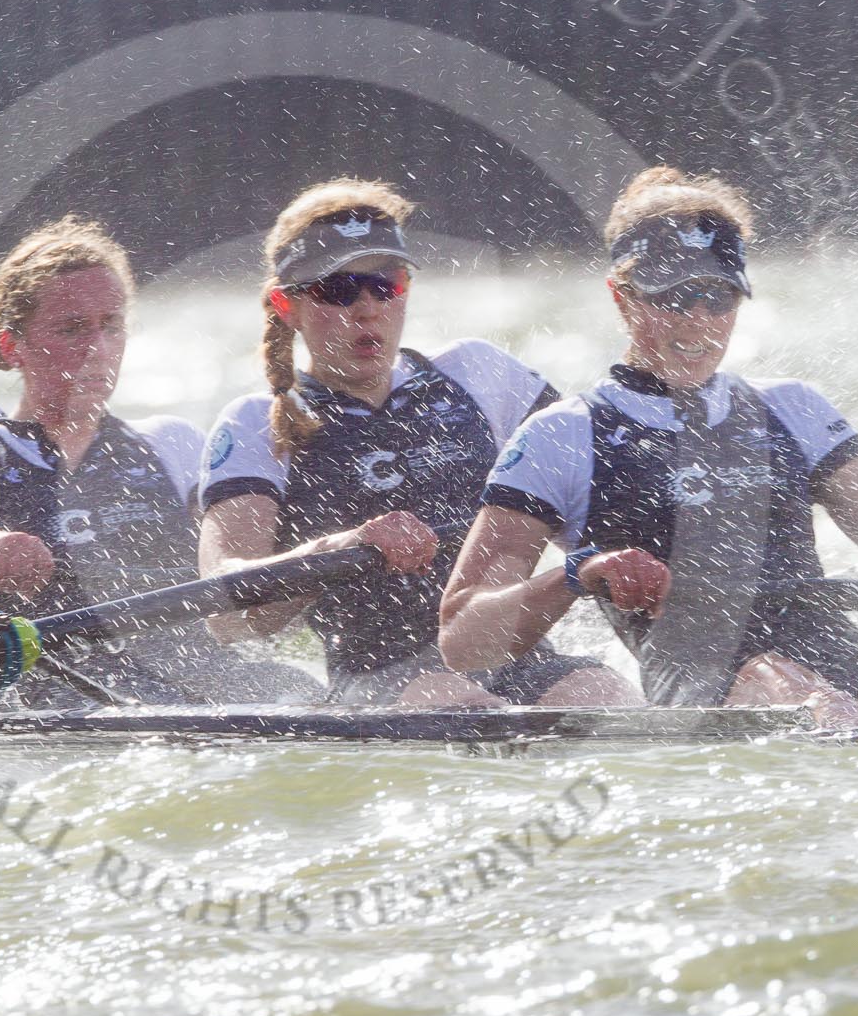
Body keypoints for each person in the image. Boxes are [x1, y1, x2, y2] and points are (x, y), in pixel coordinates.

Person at [441, 166, 858, 729]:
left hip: (846, 657)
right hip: (706, 684)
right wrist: (578, 574)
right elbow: (462, 637)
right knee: (791, 690)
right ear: (622, 298)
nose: (698, 320)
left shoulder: (794, 409)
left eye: (718, 297)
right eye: (674, 297)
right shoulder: (562, 437)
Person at [0, 217, 313, 703]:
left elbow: (243, 594)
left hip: (192, 709)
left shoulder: (176, 446)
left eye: (111, 326)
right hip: (48, 729)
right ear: (14, 346)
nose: (98, 349)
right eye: (72, 329)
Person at [198, 179, 627, 708]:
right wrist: (342, 546)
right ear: (288, 305)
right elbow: (224, 613)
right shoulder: (254, 425)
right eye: (338, 290)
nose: (367, 308)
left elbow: (603, 511)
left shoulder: (482, 374)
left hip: (517, 652)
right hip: (382, 676)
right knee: (456, 702)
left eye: (386, 284)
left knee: (604, 695)